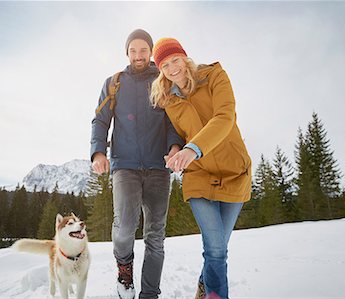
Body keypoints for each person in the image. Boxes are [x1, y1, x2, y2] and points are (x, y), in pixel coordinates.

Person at [150, 38, 252, 299]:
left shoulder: (215, 76)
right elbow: (174, 132)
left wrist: (192, 148)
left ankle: (205, 284)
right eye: (165, 65)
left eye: (175, 60)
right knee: (215, 249)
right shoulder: (167, 100)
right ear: (160, 69)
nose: (173, 68)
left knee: (220, 246)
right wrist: (175, 149)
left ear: (185, 58)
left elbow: (225, 117)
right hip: (198, 175)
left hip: (234, 171)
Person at [90, 29, 183, 299]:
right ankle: (124, 271)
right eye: (133, 50)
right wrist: (98, 152)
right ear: (127, 52)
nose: (138, 55)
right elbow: (100, 120)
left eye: (144, 50)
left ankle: (150, 294)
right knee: (124, 228)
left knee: (155, 236)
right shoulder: (114, 83)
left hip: (158, 167)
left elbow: (173, 122)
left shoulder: (163, 80)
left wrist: (174, 146)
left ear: (151, 52)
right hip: (125, 167)